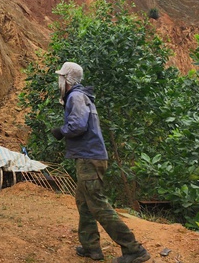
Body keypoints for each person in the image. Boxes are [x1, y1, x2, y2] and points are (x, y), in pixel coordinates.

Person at [51, 62, 150, 263]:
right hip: (91, 157)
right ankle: (91, 248)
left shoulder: (76, 97)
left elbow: (77, 124)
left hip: (89, 158)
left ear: (67, 79)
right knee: (84, 201)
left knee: (97, 204)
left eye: (61, 77)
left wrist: (62, 131)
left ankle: (134, 249)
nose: (58, 81)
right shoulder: (82, 96)